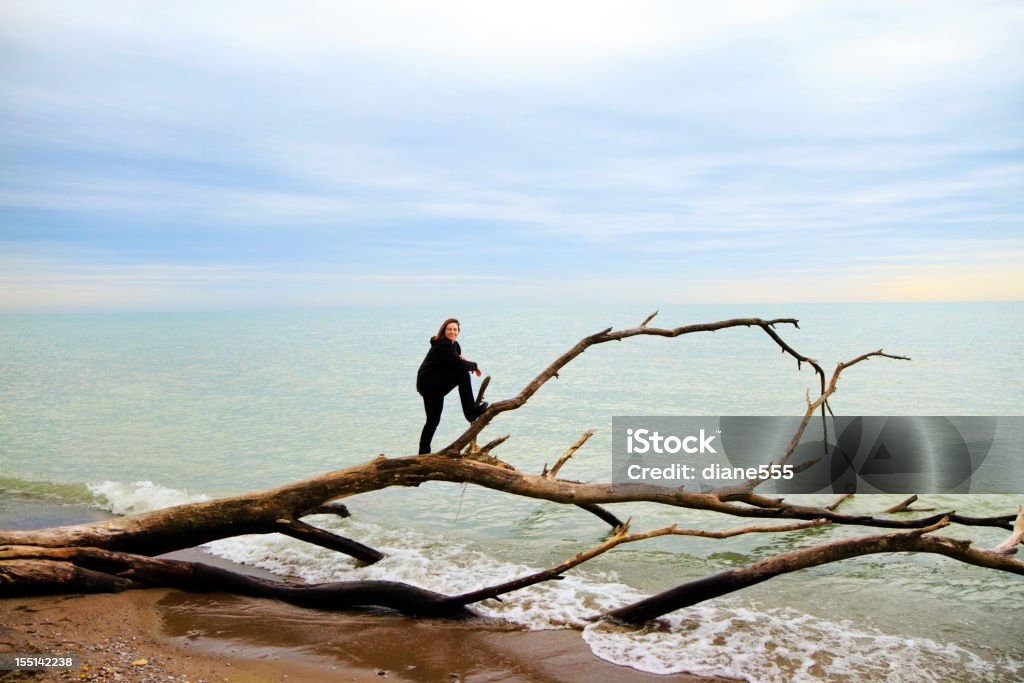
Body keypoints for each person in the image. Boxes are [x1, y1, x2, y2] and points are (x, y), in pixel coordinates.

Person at [416, 317, 488, 454]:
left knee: (432, 421)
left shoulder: (454, 346)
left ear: (458, 332)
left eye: (455, 330)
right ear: (444, 331)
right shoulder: (444, 344)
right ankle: (470, 412)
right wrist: (475, 366)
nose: (452, 332)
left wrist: (462, 361)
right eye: (449, 329)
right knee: (463, 374)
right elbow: (458, 365)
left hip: (435, 385)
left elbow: (454, 362)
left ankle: (423, 453)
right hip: (429, 383)